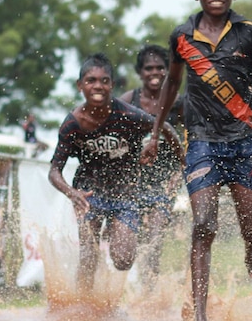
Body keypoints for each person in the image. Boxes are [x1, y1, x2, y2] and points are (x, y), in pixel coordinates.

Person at [140, 0, 252, 321]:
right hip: (202, 142)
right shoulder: (182, 36)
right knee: (203, 226)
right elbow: (172, 85)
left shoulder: (250, 32)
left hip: (244, 141)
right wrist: (156, 132)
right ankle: (200, 318)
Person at [49, 53, 183, 293]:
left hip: (125, 194)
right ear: (80, 86)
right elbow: (54, 171)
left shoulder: (129, 114)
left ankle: (120, 232)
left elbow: (166, 127)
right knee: (89, 255)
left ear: (111, 85)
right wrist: (72, 192)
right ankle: (84, 308)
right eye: (91, 81)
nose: (97, 86)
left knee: (123, 260)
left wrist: (179, 159)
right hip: (89, 193)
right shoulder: (73, 123)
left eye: (104, 81)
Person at [120, 44, 185, 292]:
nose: (155, 73)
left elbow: (190, 141)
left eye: (160, 68)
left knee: (155, 239)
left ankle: (149, 293)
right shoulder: (128, 101)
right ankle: (123, 291)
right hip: (131, 181)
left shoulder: (177, 103)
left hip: (163, 181)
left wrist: (179, 175)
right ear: (140, 72)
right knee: (127, 243)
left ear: (168, 71)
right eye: (149, 68)